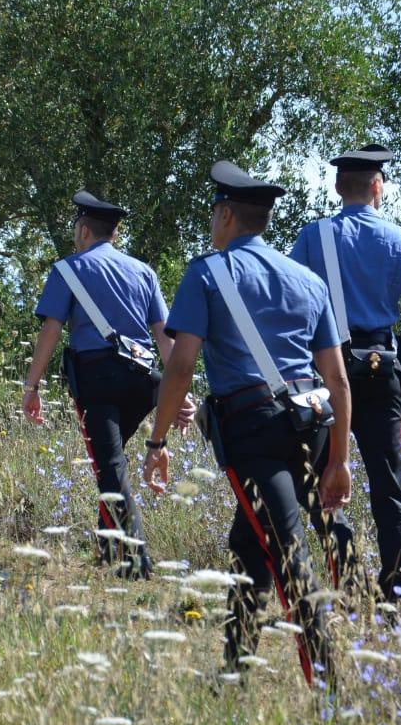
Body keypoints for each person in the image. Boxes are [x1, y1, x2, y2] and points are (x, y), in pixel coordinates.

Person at [143, 162, 352, 688]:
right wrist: (341, 463)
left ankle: (329, 695)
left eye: (215, 214)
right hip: (314, 425)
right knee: (250, 546)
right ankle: (235, 670)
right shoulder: (309, 281)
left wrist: (158, 439)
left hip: (253, 432)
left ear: (226, 214)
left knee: (288, 558)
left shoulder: (207, 273)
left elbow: (181, 364)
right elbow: (338, 379)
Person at [19, 191, 195, 578]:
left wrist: (32, 387)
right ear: (113, 234)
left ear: (83, 230)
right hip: (143, 382)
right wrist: (179, 392)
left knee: (110, 465)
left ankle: (136, 561)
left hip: (97, 380)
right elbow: (166, 338)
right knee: (110, 464)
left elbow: (51, 330)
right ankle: (105, 548)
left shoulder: (68, 270)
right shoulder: (144, 271)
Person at [288, 143, 401, 604]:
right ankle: (394, 595)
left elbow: (292, 308)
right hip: (383, 370)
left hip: (326, 372)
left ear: (337, 187)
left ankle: (345, 566)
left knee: (319, 473)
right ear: (377, 187)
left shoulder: (313, 238)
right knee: (389, 486)